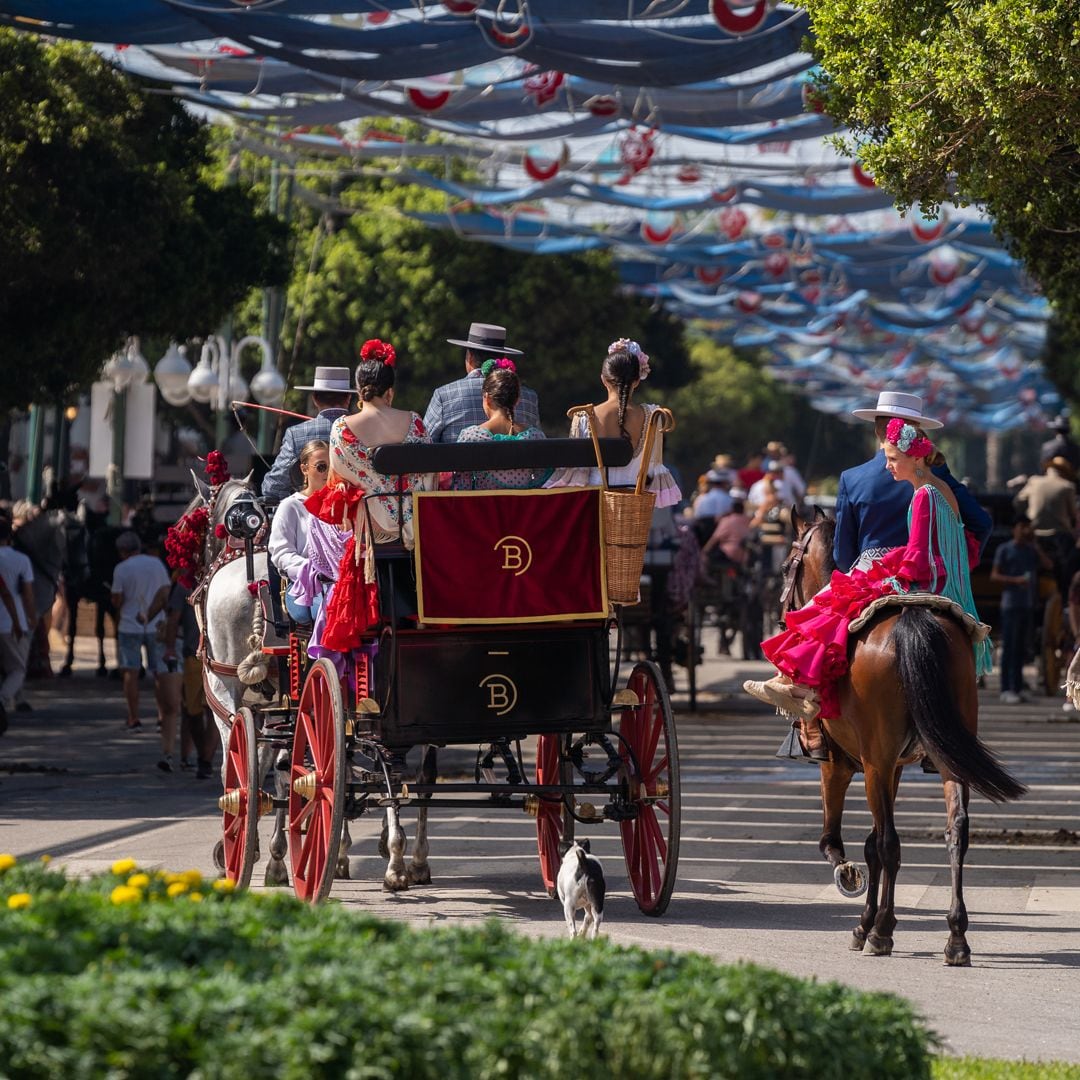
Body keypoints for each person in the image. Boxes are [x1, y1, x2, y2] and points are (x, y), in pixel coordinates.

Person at [744, 417, 992, 760]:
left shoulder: (909, 490)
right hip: (938, 577)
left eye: (891, 458)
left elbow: (865, 553)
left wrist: (886, 576)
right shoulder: (942, 484)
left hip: (911, 574)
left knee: (828, 607)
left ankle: (804, 696)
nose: (886, 465)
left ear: (913, 456)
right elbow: (975, 528)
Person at [306, 339, 434, 653]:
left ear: (359, 389)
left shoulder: (343, 429)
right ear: (390, 391)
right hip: (415, 530)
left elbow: (340, 479)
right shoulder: (415, 423)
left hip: (372, 535)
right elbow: (429, 475)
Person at [833, 391, 992, 573]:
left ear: (877, 430)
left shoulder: (850, 478)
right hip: (927, 578)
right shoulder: (935, 471)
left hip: (869, 574)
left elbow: (842, 556)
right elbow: (981, 523)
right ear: (916, 432)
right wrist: (954, 568)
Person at [544, 338, 680, 507]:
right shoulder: (653, 416)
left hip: (595, 505)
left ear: (604, 380)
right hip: (633, 510)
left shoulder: (584, 416)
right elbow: (653, 469)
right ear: (637, 381)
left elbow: (577, 472)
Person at [109, 531, 171, 764]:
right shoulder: (156, 563)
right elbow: (165, 591)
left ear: (122, 551)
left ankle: (133, 717)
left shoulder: (121, 569)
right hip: (156, 623)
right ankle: (161, 716)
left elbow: (117, 599)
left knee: (131, 672)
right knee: (160, 672)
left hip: (129, 623)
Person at [424, 322, 539, 444]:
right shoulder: (530, 397)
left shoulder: (444, 395)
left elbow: (425, 443)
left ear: (469, 356)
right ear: (503, 357)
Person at [451, 359, 549, 490]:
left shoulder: (471, 437)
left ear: (488, 399)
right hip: (523, 509)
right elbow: (542, 482)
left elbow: (461, 486)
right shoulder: (535, 437)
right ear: (517, 400)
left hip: (484, 509)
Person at [261, 367, 354, 501]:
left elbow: (273, 487)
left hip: (309, 511)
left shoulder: (295, 433)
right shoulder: (365, 431)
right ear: (348, 398)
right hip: (354, 515)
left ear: (315, 399)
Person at [268, 439, 330, 624]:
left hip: (340, 583)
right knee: (327, 609)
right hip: (304, 584)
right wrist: (311, 570)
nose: (328, 473)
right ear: (304, 469)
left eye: (333, 466)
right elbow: (281, 552)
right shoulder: (291, 506)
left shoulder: (343, 502)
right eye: (321, 467)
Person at [990, 516, 1049, 705]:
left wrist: (1037, 546)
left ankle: (1017, 686)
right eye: (1022, 526)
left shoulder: (1030, 551)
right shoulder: (1005, 549)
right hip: (1011, 604)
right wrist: (1015, 581)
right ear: (1014, 529)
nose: (1025, 530)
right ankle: (1006, 687)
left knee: (1021, 648)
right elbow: (994, 575)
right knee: (1010, 647)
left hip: (1027, 604)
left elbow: (1048, 565)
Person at [162, 577, 216, 779]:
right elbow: (173, 617)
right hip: (195, 655)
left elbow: (173, 617)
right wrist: (169, 648)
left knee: (206, 712)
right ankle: (204, 756)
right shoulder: (184, 583)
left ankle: (206, 760)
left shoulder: (196, 580)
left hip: (209, 657)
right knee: (196, 712)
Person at [1014, 457, 1078, 595]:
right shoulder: (1067, 486)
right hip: (1060, 537)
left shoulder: (1034, 482)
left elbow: (1018, 502)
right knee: (1068, 571)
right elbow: (1073, 514)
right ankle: (1065, 599)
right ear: (1064, 472)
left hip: (1034, 535)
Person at [0, 517, 35, 723]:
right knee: (18, 669)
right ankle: (3, 698)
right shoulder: (22, 560)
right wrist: (30, 617)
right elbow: (28, 594)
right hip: (11, 622)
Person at [701, 500, 750, 567]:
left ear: (732, 509)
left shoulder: (727, 520)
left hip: (727, 553)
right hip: (744, 556)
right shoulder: (747, 520)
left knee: (707, 560)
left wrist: (705, 551)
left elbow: (715, 538)